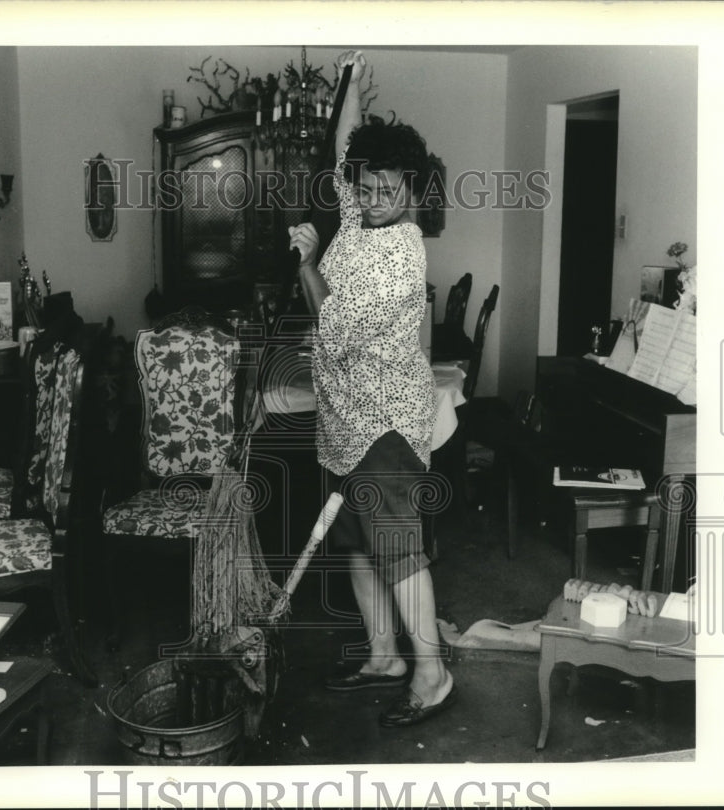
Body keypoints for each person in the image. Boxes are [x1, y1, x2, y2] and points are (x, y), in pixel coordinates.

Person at [288, 49, 455, 728]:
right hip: (344, 421)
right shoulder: (358, 216)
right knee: (358, 545)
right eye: (367, 183)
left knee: (396, 549)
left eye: (389, 187)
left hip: (385, 428)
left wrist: (304, 260)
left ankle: (433, 672)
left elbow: (332, 325)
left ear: (410, 190)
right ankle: (385, 655)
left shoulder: (403, 252)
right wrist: (351, 81)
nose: (374, 195)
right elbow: (342, 149)